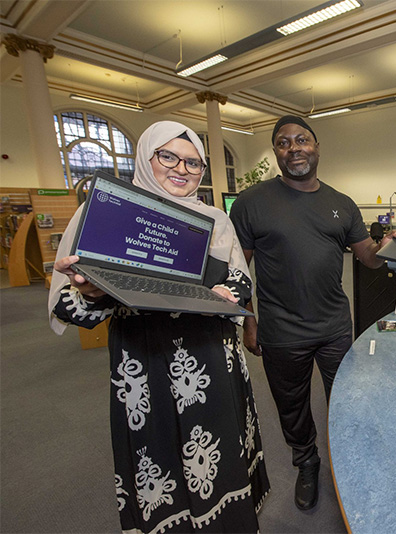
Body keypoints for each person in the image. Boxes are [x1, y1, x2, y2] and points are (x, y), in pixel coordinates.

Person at [49, 121, 270, 532]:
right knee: (160, 450)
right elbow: (70, 307)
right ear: (146, 158)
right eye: (168, 156)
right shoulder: (106, 211)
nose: (182, 169)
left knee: (221, 448)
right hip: (147, 364)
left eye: (193, 163)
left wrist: (225, 293)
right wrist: (94, 294)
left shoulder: (215, 218)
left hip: (212, 363)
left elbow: (241, 280)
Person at [230, 115, 396, 510]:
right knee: (292, 407)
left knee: (346, 400)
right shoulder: (252, 203)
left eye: (302, 140)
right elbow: (237, 271)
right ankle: (306, 462)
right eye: (284, 143)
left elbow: (367, 259)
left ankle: (348, 463)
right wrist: (248, 322)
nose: (294, 148)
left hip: (335, 326)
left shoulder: (341, 204)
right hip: (281, 330)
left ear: (317, 147)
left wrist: (386, 247)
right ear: (276, 152)